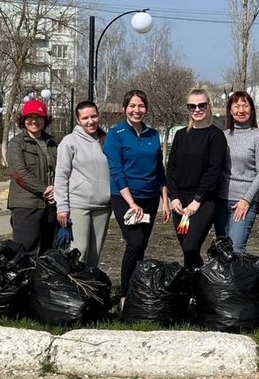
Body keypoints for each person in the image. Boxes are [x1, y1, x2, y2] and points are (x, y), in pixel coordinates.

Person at [103, 90, 170, 304]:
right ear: (125, 108)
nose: (136, 110)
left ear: (146, 109)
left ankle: (136, 291)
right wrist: (131, 203)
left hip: (150, 198)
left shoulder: (152, 135)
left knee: (142, 246)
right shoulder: (116, 134)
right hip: (124, 198)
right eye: (132, 106)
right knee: (134, 242)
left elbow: (159, 169)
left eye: (141, 106)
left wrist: (165, 201)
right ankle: (124, 296)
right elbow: (116, 171)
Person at [167, 89, 227, 269]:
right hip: (180, 200)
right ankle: (191, 292)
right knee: (186, 250)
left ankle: (203, 282)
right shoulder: (180, 134)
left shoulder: (216, 135)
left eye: (201, 105)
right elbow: (171, 168)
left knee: (191, 246)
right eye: (192, 106)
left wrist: (197, 200)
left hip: (203, 200)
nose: (197, 110)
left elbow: (213, 171)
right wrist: (173, 196)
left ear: (208, 107)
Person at [54, 101, 111, 267]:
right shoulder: (69, 141)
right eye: (85, 118)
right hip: (79, 204)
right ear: (78, 121)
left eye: (93, 116)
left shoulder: (105, 140)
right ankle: (73, 287)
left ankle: (89, 288)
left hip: (103, 206)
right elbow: (61, 175)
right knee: (80, 250)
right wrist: (62, 207)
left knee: (94, 253)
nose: (90, 121)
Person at [215, 91, 259, 254]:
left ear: (251, 109)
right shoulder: (223, 136)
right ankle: (223, 281)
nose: (241, 110)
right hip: (221, 201)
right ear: (230, 111)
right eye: (236, 106)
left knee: (236, 249)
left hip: (244, 202)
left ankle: (238, 280)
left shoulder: (258, 137)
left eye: (245, 105)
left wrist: (246, 199)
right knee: (222, 249)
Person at [6, 99, 58, 255]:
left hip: (51, 205)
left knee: (49, 252)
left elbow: (60, 170)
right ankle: (25, 279)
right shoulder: (17, 143)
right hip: (26, 205)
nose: (34, 121)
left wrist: (57, 190)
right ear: (23, 120)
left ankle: (42, 279)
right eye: (29, 117)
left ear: (45, 119)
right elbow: (19, 172)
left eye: (39, 117)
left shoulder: (52, 143)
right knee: (25, 251)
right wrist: (45, 189)